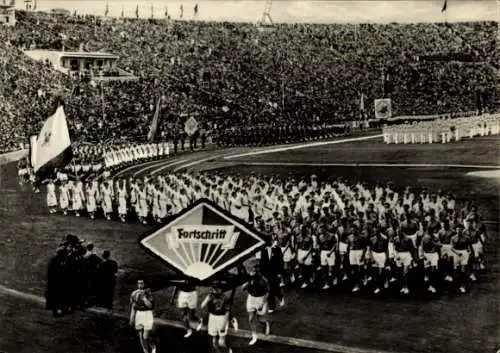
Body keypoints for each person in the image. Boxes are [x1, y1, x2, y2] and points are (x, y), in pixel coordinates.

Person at [242, 265, 271, 346]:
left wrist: (263, 303)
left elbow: (268, 292)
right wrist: (246, 284)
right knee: (251, 318)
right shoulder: (250, 278)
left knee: (260, 319)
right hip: (251, 298)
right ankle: (254, 336)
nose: (254, 272)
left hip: (260, 299)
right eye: (254, 270)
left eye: (256, 271)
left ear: (259, 272)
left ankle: (266, 324)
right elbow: (243, 288)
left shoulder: (264, 280)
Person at [201, 282, 233, 353]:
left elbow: (227, 313)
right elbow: (202, 306)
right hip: (212, 318)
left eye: (216, 288)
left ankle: (228, 350)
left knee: (221, 342)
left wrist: (223, 325)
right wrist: (207, 298)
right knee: (214, 341)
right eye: (213, 288)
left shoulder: (226, 298)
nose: (215, 290)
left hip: (222, 318)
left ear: (221, 289)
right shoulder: (210, 297)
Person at [130, 279, 156, 353]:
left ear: (145, 284)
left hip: (147, 314)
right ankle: (146, 351)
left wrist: (144, 298)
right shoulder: (134, 293)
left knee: (145, 336)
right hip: (139, 314)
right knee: (141, 335)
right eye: (139, 283)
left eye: (142, 283)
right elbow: (133, 306)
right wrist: (132, 317)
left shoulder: (149, 293)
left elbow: (150, 306)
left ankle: (152, 344)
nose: (140, 285)